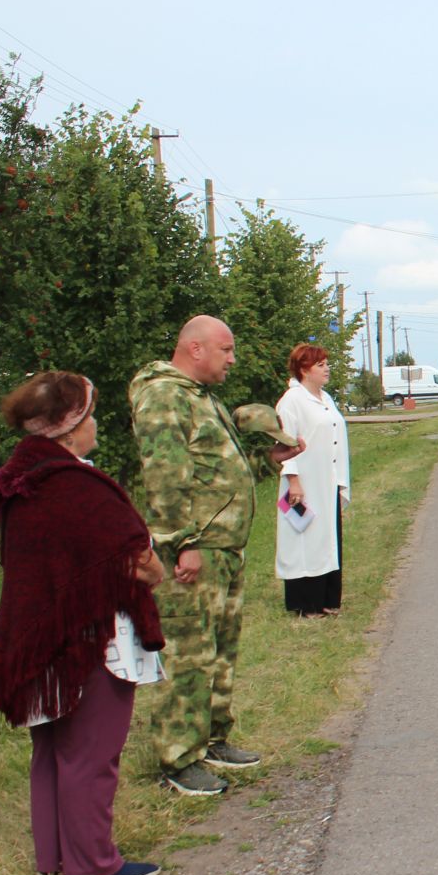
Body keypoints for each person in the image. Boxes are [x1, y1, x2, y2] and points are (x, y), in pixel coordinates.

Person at [0, 372, 167, 875]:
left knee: (53, 752)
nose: (96, 424)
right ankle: (93, 866)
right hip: (88, 641)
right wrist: (155, 572)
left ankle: (57, 859)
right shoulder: (72, 486)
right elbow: (134, 560)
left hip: (41, 639)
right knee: (91, 753)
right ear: (69, 427)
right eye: (90, 415)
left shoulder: (25, 481)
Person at [131, 315, 302, 797]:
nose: (232, 359)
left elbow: (212, 470)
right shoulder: (165, 395)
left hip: (222, 546)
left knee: (219, 651)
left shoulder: (201, 398)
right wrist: (181, 542)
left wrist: (264, 463)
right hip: (195, 550)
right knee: (188, 653)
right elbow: (165, 474)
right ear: (195, 348)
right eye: (225, 350)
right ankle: (178, 760)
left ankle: (212, 738)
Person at [276, 345, 353, 618]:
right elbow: (284, 442)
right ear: (304, 369)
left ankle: (326, 598)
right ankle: (305, 603)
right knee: (305, 539)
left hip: (326, 479)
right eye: (320, 365)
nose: (326, 368)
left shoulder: (325, 398)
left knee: (326, 538)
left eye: (326, 363)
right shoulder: (291, 400)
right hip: (304, 482)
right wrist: (293, 481)